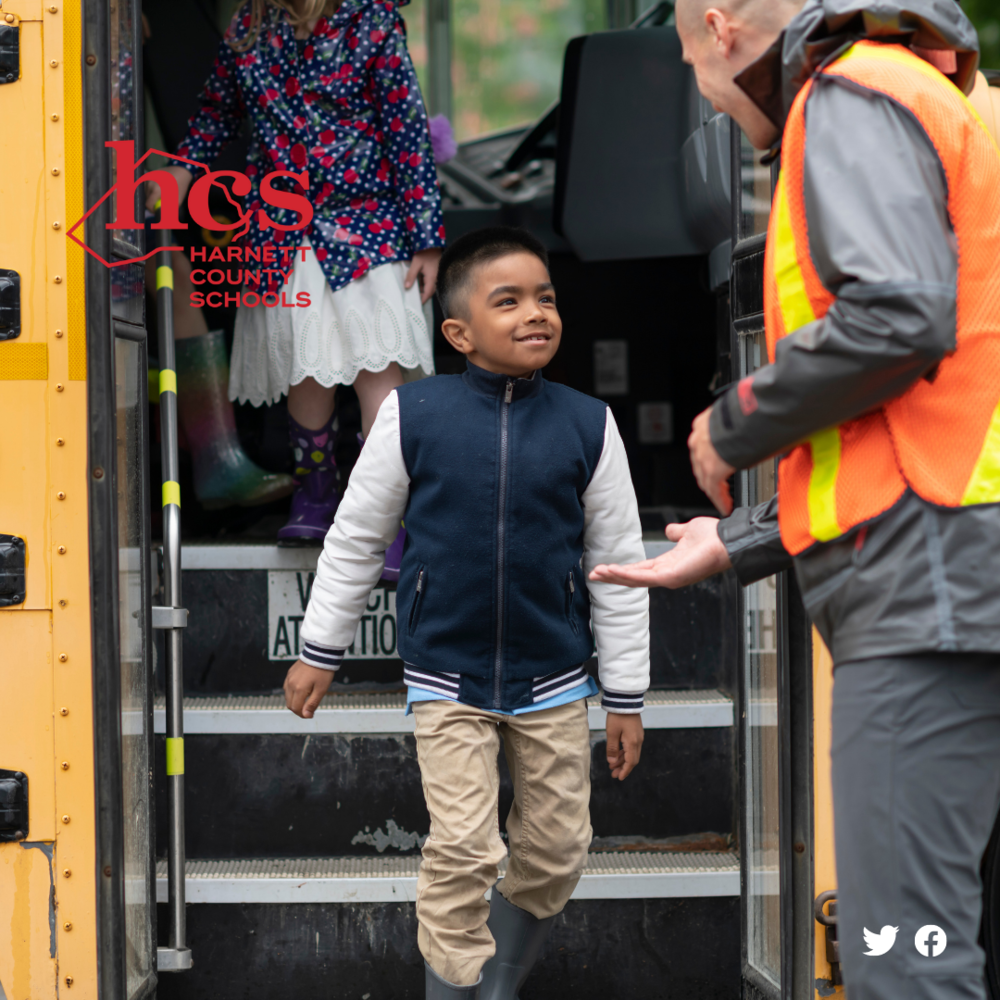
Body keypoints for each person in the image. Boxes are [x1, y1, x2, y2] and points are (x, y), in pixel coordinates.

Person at [591, 1, 1000, 999]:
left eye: (688, 59)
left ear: (721, 26)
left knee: (903, 951)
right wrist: (742, 540)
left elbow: (897, 315)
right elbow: (926, 400)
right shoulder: (946, 99)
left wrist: (729, 424)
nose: (706, 96)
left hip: (928, 591)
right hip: (962, 563)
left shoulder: (850, 94)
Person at [284, 227, 650, 999]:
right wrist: (321, 646)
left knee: (556, 850)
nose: (535, 314)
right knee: (463, 846)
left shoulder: (590, 425)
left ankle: (501, 981)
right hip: (445, 675)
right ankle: (455, 988)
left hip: (553, 675)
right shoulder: (414, 417)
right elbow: (356, 537)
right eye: (508, 301)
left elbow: (618, 565)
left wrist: (625, 695)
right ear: (458, 333)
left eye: (545, 298)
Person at [145, 0, 445, 567]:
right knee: (306, 373)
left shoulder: (371, 22)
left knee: (377, 374)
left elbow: (406, 131)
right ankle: (316, 494)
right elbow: (216, 114)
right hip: (285, 232)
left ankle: (391, 514)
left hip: (367, 229)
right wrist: (182, 171)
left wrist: (426, 236)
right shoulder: (250, 28)